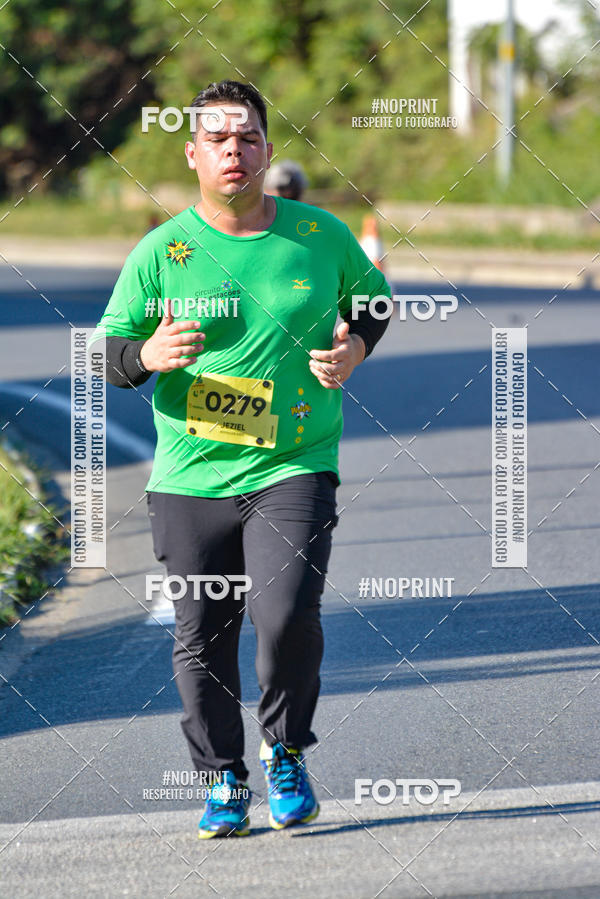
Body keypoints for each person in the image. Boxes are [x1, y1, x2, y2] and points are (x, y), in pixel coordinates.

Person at [96, 79, 391, 839]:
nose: (236, 150)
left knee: (286, 611)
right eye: (219, 140)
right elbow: (105, 351)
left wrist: (354, 345)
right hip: (192, 476)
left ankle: (285, 748)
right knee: (202, 633)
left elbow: (376, 299)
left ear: (267, 150)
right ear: (194, 154)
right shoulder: (163, 252)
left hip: (293, 460)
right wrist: (148, 353)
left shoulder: (317, 235)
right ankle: (223, 777)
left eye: (250, 137)